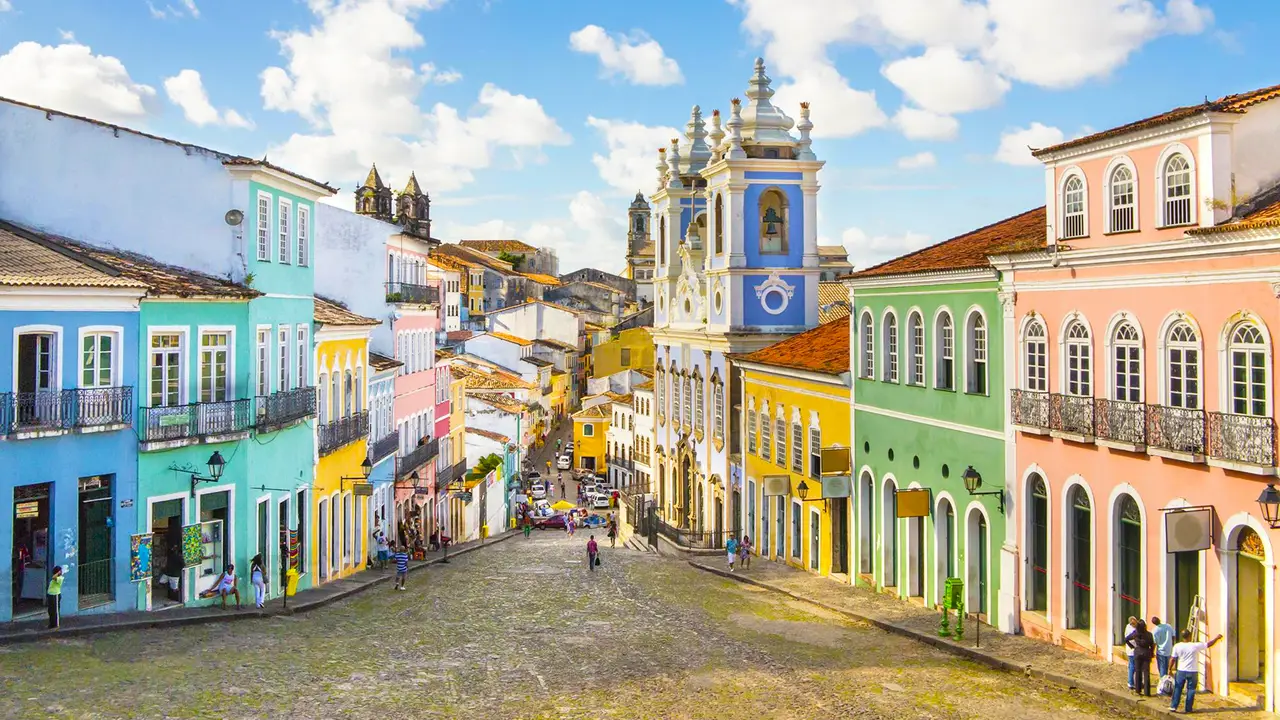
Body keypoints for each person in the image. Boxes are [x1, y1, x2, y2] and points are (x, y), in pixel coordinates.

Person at [1170, 630, 1224, 713]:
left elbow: (1172, 659)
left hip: (1181, 671)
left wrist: (1169, 669)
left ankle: (1173, 706)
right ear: (1190, 636)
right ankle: (1188, 709)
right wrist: (1217, 638)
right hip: (1192, 671)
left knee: (1178, 689)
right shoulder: (1195, 646)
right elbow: (1209, 644)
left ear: (1182, 636)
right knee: (1191, 690)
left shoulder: (1177, 646)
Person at [1127, 619, 1156, 696]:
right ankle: (1147, 691)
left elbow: (1126, 639)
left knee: (1138, 671)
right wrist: (1152, 652)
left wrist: (1132, 647)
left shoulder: (1135, 634)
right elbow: (1152, 645)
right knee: (1146, 672)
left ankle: (1138, 690)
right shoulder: (1149, 634)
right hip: (1146, 652)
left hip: (1137, 652)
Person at [1152, 616, 1175, 680]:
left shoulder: (1155, 630)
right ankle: (1168, 680)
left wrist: (1152, 651)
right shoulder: (1168, 626)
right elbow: (1173, 636)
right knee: (1168, 667)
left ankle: (1163, 681)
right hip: (1169, 650)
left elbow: (1154, 642)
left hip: (1161, 651)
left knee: (1162, 668)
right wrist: (1172, 645)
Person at [46, 565, 64, 630]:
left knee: (55, 610)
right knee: (50, 610)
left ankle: (56, 624)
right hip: (50, 595)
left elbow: (54, 577)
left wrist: (58, 573)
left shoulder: (60, 578)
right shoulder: (56, 577)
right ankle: (51, 624)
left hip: (55, 595)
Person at [1123, 616, 1139, 689]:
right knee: (1133, 667)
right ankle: (1131, 682)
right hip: (1133, 651)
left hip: (1130, 650)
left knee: (1131, 666)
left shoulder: (1127, 626)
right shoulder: (1134, 630)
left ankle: (1130, 681)